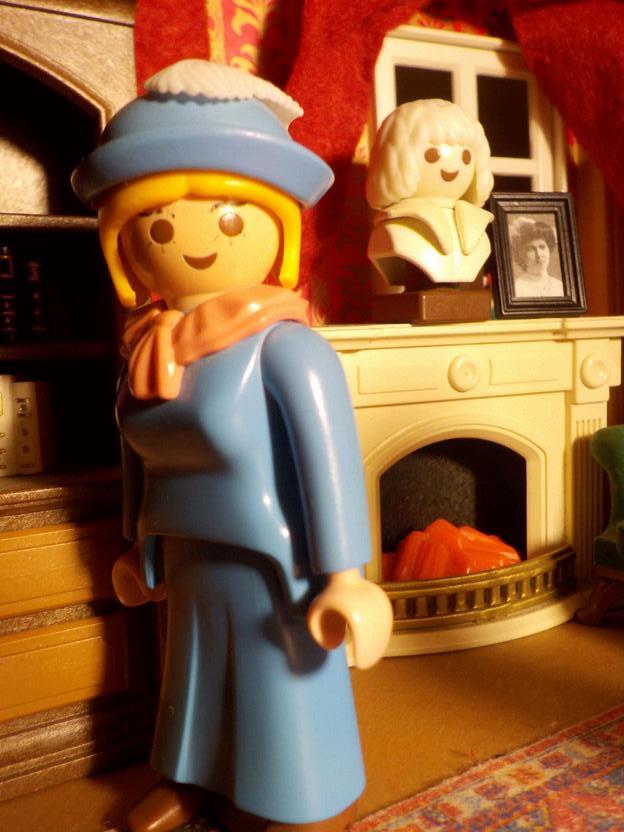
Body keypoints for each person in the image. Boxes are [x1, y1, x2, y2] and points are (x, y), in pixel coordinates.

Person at [72, 59, 392, 832]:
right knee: (194, 676)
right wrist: (137, 546)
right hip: (185, 548)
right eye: (158, 225)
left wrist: (347, 577)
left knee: (277, 675)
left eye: (226, 219)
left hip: (273, 557)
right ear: (125, 244)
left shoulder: (286, 348)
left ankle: (287, 796)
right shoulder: (147, 349)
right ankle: (192, 779)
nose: (193, 243)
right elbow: (136, 455)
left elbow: (329, 464)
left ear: (275, 228)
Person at [365, 98, 494, 288]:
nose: (453, 166)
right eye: (432, 156)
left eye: (466, 157)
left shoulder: (478, 228)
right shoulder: (393, 230)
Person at [510, 218, 563, 298]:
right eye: (531, 249)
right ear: (522, 255)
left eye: (542, 247)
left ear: (549, 249)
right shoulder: (518, 287)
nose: (539, 254)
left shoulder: (558, 285)